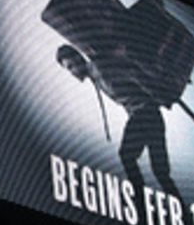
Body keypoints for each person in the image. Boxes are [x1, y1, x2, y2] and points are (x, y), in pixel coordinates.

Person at [56, 45, 180, 197]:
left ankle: (140, 203)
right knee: (161, 172)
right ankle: (182, 214)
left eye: (70, 67)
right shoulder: (95, 74)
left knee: (127, 156)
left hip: (145, 113)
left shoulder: (99, 68)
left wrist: (158, 94)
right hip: (151, 115)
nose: (72, 73)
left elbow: (133, 73)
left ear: (78, 58)